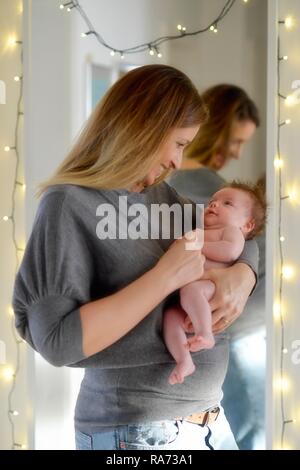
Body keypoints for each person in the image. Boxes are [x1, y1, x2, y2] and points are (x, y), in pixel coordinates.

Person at [12, 66, 258, 451]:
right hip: (138, 433)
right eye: (178, 144)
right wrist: (164, 276)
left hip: (208, 420)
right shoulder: (69, 204)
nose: (179, 162)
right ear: (145, 127)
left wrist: (244, 275)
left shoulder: (156, 197)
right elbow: (57, 342)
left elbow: (240, 234)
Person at [168, 84, 266, 449]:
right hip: (232, 333)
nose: (236, 153)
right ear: (217, 130)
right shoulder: (205, 192)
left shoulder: (216, 190)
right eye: (235, 142)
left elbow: (245, 248)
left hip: (233, 327)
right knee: (253, 427)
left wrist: (245, 273)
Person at [164, 182, 267, 386]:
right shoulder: (200, 230)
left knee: (191, 291)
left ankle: (204, 333)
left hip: (210, 287)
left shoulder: (231, 232)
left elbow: (230, 251)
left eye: (227, 203)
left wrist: (196, 243)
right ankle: (184, 360)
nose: (214, 205)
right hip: (188, 296)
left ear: (247, 225)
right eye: (212, 201)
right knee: (171, 317)